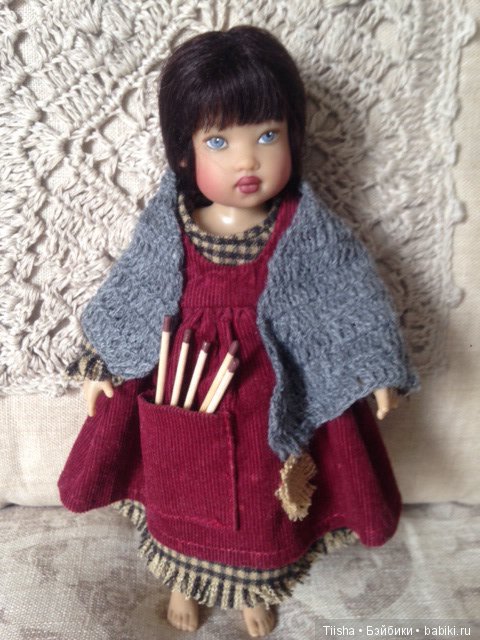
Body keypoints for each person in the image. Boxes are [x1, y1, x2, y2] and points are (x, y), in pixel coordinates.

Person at [59, 26, 418, 637]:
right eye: (219, 141)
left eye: (267, 135)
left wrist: (372, 366)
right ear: (184, 153)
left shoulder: (307, 231)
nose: (246, 160)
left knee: (262, 505)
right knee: (179, 491)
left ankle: (255, 586)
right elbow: (131, 295)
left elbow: (349, 300)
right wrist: (104, 363)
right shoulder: (169, 228)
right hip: (181, 387)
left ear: (293, 137)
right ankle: (183, 579)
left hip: (272, 400)